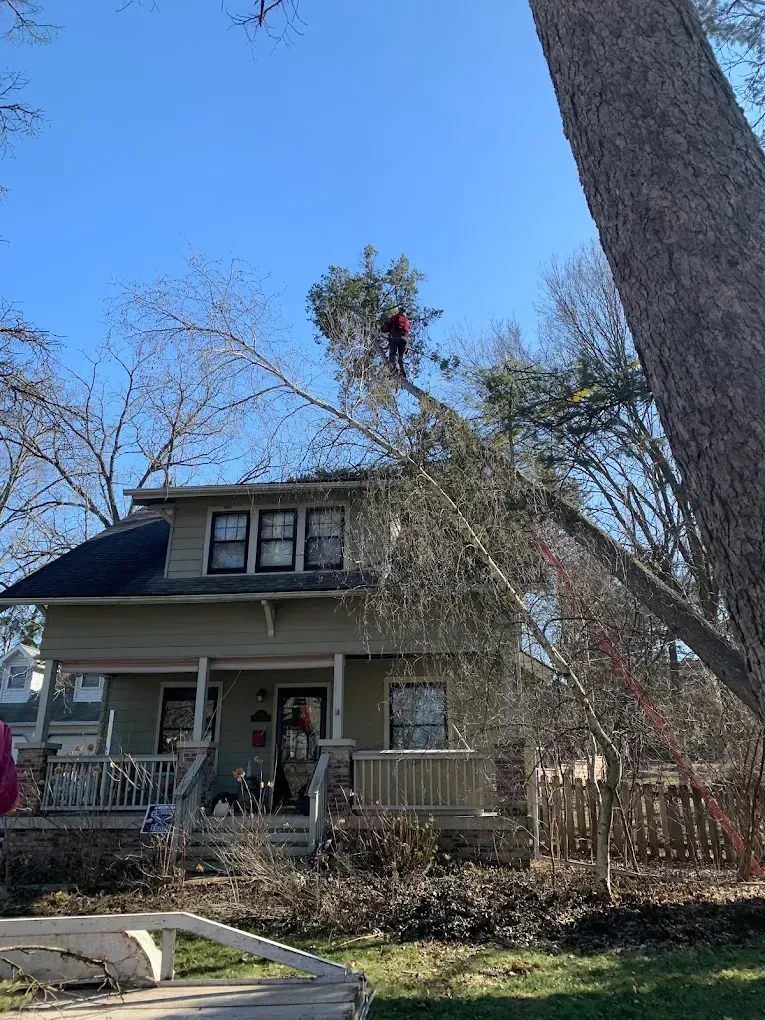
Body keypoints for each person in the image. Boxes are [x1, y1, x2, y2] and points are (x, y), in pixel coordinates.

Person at [381, 306, 411, 375]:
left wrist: (382, 328)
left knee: (393, 354)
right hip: (405, 340)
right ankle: (403, 371)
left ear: (399, 312)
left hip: (395, 337)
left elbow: (386, 327)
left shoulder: (395, 318)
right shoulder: (407, 321)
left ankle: (394, 368)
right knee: (401, 356)